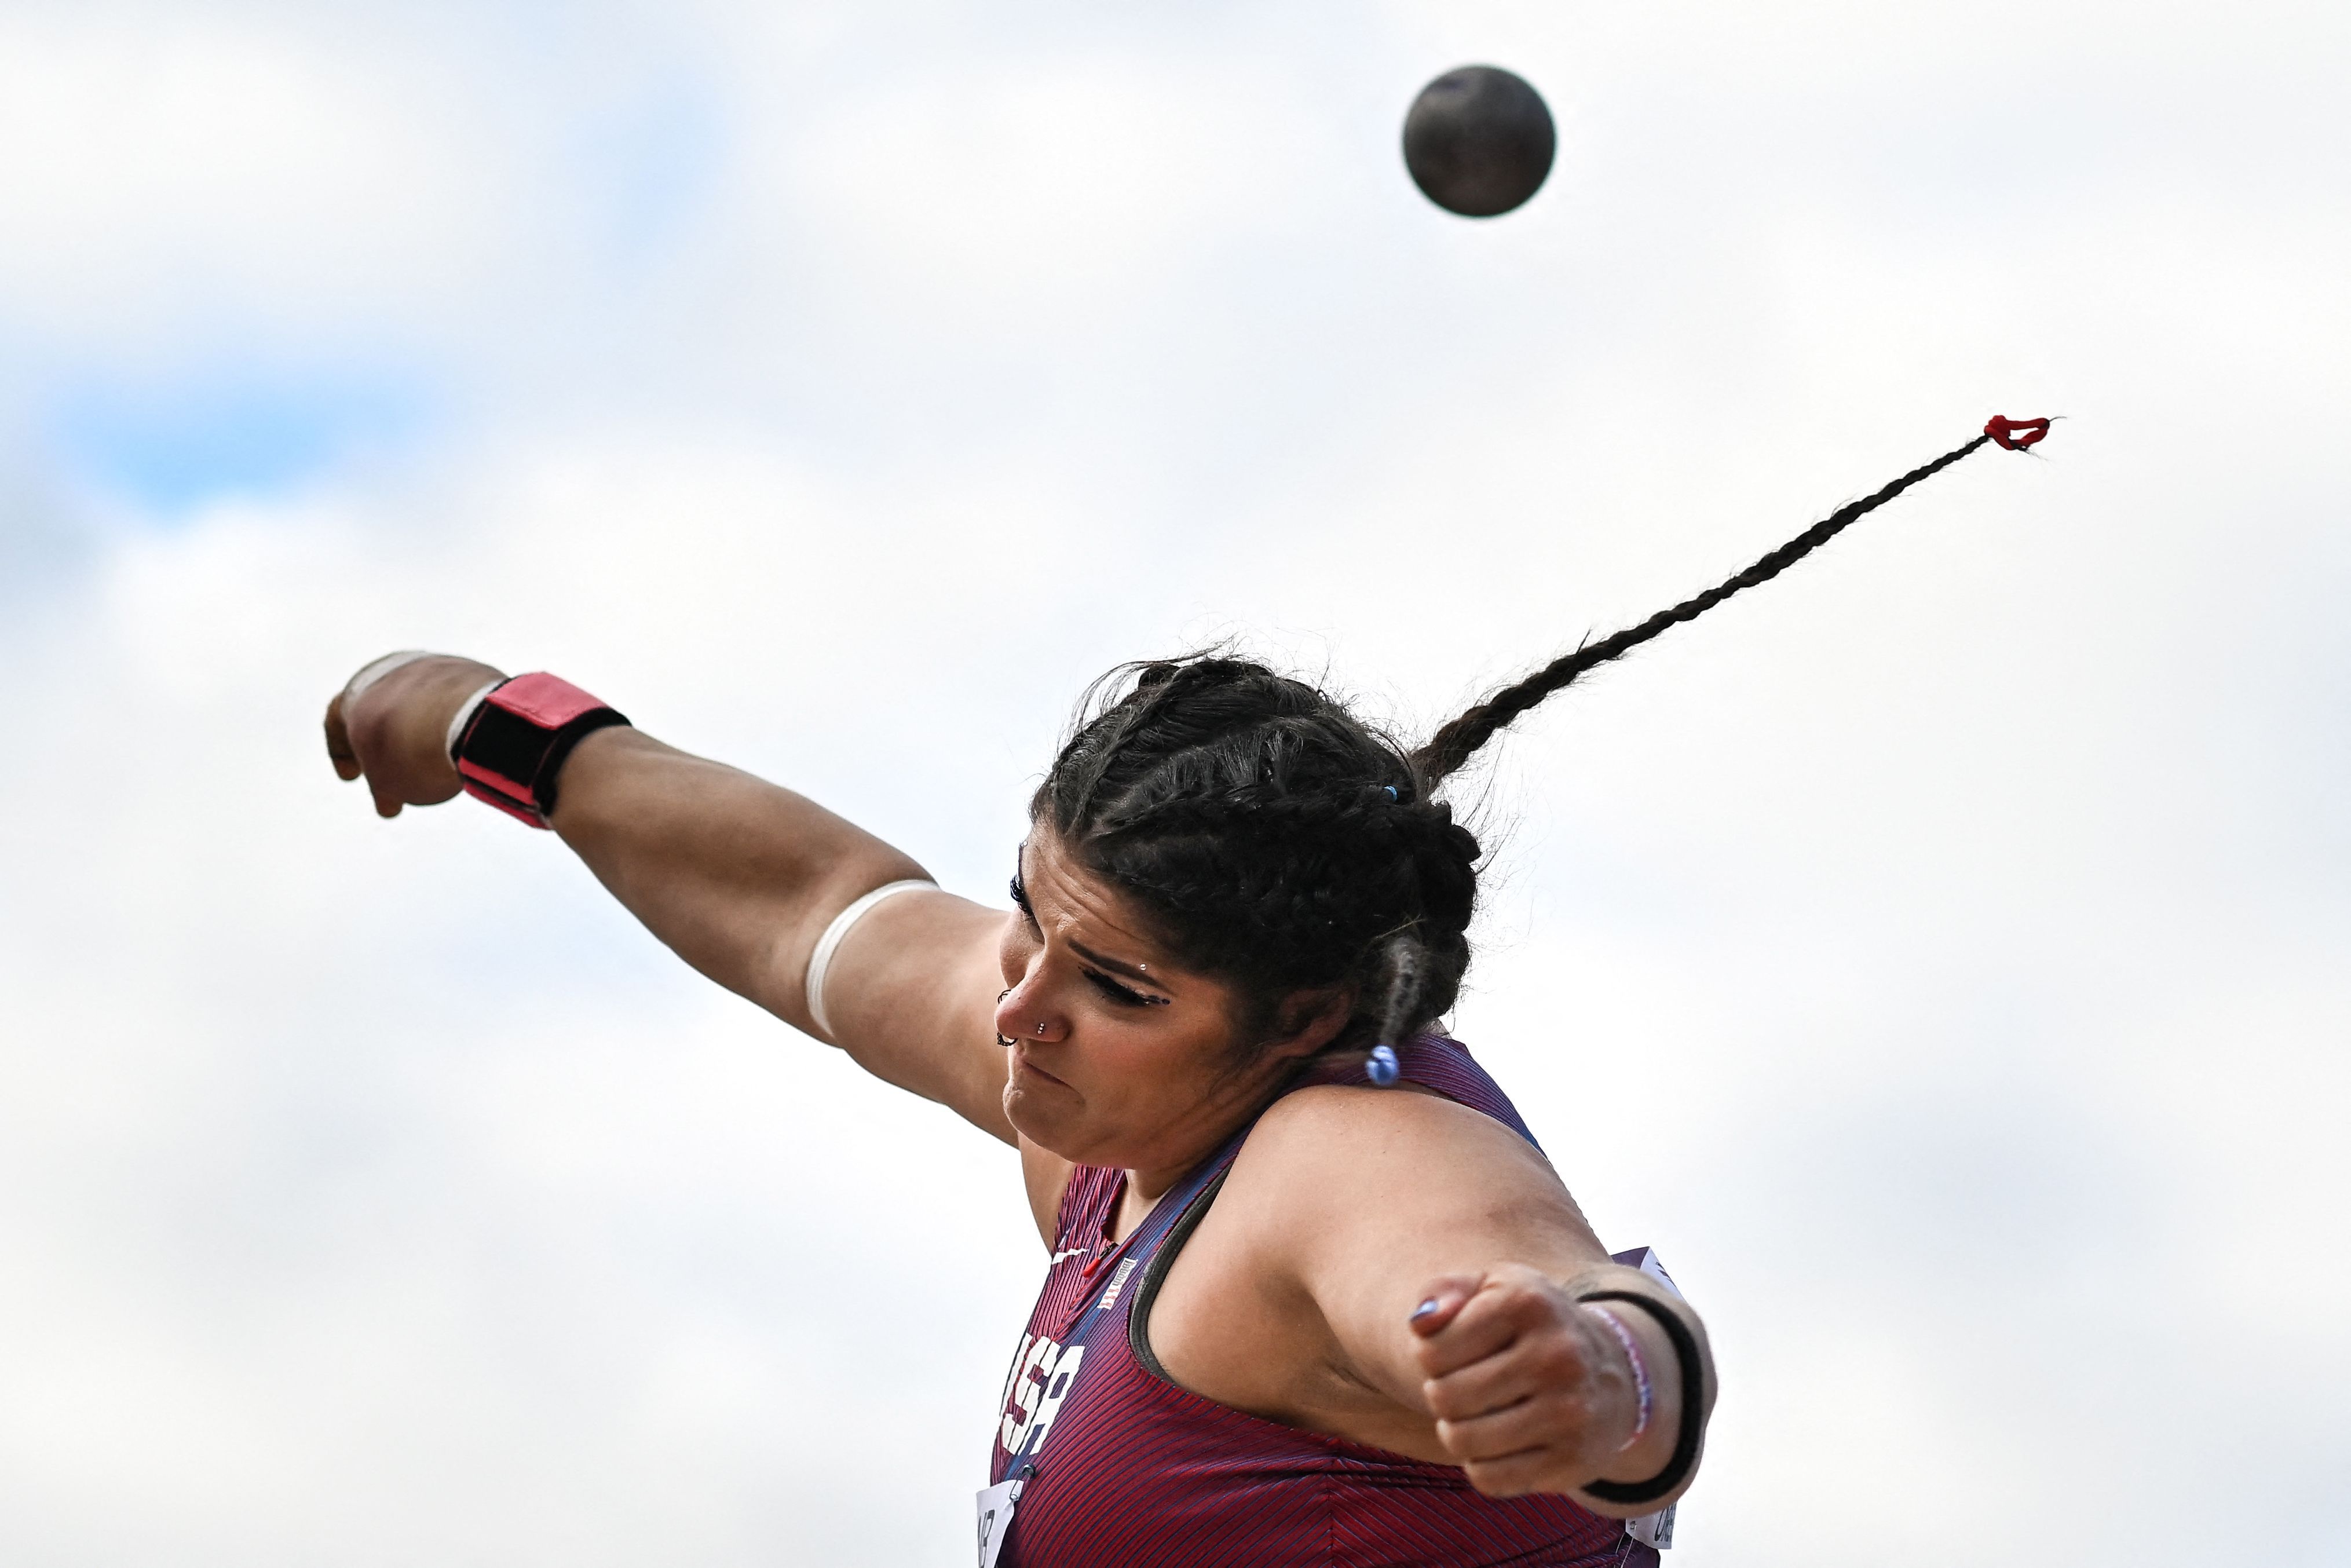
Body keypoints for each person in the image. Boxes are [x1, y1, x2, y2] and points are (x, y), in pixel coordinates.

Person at [322, 426, 2033, 1566]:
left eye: (1115, 983)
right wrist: (523, 734)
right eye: (1030, 925)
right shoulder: (1091, 1113)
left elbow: (1578, 1325)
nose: (1018, 1011)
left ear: (1294, 1018)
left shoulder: (1336, 1162)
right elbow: (822, 914)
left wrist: (1595, 1380)